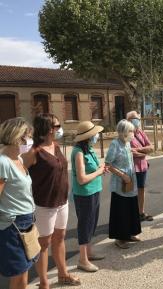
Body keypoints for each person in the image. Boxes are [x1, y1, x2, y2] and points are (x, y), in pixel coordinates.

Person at [22, 113, 80, 288]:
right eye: (57, 125)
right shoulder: (34, 152)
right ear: (48, 129)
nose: (59, 128)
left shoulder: (56, 145)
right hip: (44, 205)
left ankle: (63, 274)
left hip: (62, 202)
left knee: (60, 237)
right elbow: (17, 173)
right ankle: (43, 283)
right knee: (43, 244)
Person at [0, 117, 37, 289]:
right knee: (17, 274)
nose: (29, 140)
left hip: (26, 221)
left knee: (24, 270)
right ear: (16, 137)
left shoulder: (19, 159)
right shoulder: (3, 162)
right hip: (13, 224)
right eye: (27, 136)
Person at [71, 121, 105, 272]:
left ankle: (89, 253)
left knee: (92, 223)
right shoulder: (78, 152)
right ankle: (82, 260)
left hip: (94, 191)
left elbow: (93, 168)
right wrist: (99, 172)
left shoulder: (88, 149)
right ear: (88, 137)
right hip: (84, 194)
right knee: (85, 225)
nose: (97, 136)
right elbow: (82, 179)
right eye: (95, 135)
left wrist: (100, 168)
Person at [105, 119, 141, 249]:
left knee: (131, 208)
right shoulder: (115, 144)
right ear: (124, 132)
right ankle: (120, 238)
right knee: (121, 211)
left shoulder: (127, 143)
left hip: (130, 182)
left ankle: (130, 233)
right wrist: (122, 175)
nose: (133, 133)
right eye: (130, 131)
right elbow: (108, 165)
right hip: (120, 183)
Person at [126, 111, 154, 221]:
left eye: (137, 118)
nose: (136, 121)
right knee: (130, 191)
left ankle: (141, 212)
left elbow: (151, 147)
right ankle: (131, 214)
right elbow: (127, 151)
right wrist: (143, 152)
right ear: (128, 121)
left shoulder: (141, 133)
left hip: (142, 166)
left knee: (141, 189)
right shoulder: (126, 133)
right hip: (131, 168)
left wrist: (138, 150)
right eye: (133, 119)